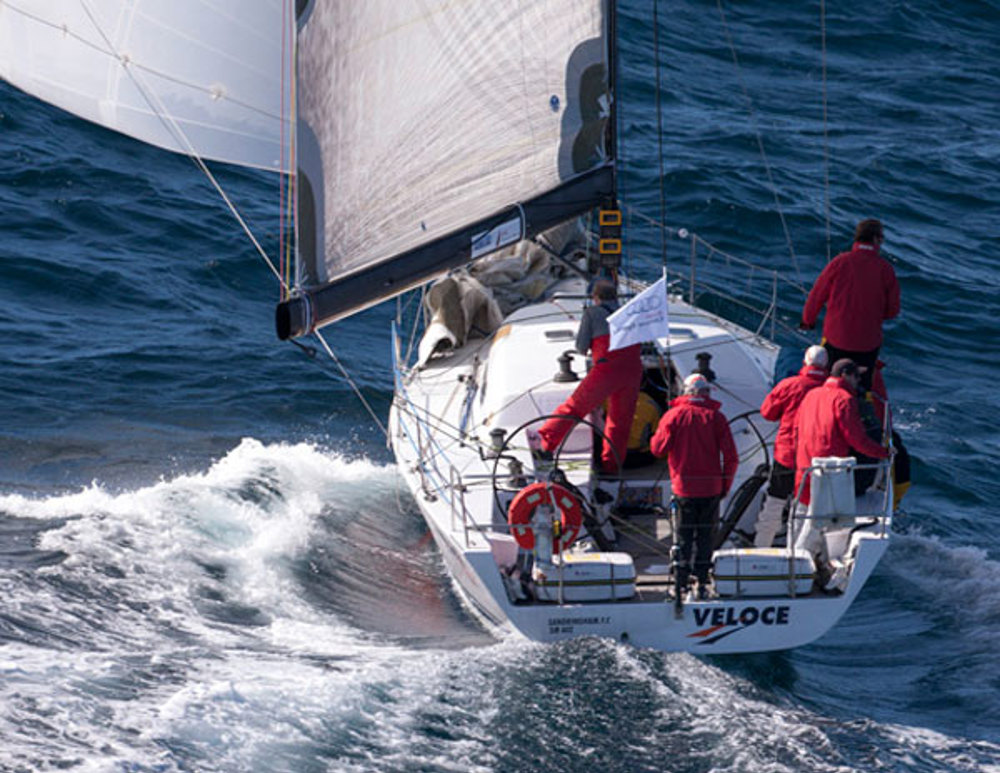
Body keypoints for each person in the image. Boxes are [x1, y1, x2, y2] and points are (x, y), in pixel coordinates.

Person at [537, 279, 642, 473]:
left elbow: (581, 347)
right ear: (616, 297)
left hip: (607, 371)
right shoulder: (630, 314)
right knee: (620, 420)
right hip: (633, 370)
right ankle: (612, 465)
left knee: (575, 407)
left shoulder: (592, 313)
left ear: (596, 298)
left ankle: (546, 445)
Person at [649, 373, 738, 599]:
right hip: (711, 489)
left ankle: (680, 583)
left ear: (686, 392)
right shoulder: (717, 418)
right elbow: (731, 457)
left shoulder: (674, 416)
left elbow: (658, 449)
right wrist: (724, 486)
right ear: (706, 392)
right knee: (706, 536)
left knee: (683, 536)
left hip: (684, 489)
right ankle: (702, 582)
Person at [792, 359, 890, 561]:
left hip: (804, 464)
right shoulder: (844, 399)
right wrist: (884, 453)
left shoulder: (812, 394)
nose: (858, 381)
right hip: (830, 469)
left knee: (801, 514)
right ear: (845, 375)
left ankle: (793, 555)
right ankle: (799, 564)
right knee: (821, 520)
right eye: (856, 376)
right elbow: (857, 439)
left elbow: (796, 428)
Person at [800, 219, 900, 391]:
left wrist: (808, 321)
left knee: (827, 380)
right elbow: (892, 311)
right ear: (876, 239)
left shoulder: (840, 262)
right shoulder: (886, 270)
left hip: (835, 338)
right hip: (867, 344)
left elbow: (817, 295)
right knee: (861, 388)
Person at [754, 345, 829, 547]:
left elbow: (768, 413)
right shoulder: (831, 390)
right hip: (816, 460)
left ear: (805, 362)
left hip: (787, 455)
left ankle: (761, 547)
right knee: (804, 508)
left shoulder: (789, 385)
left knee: (774, 503)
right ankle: (796, 554)